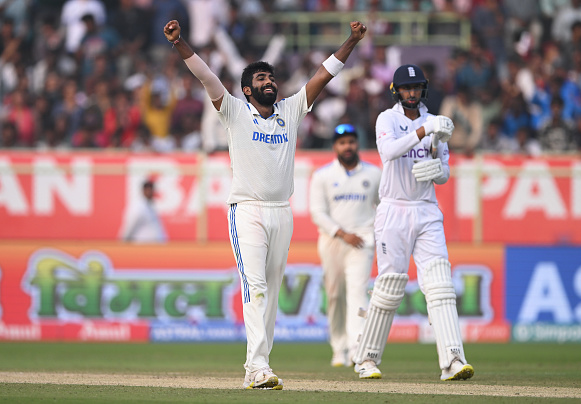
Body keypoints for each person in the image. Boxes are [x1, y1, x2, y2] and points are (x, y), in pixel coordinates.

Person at [164, 19, 367, 390]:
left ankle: (257, 366)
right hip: (247, 209)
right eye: (260, 79)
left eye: (271, 78)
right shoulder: (234, 112)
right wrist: (180, 45)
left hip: (281, 211)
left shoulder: (290, 111)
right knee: (255, 286)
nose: (269, 82)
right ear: (246, 89)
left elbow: (324, 75)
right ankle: (257, 367)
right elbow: (208, 77)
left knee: (271, 291)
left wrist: (351, 41)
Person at [352, 64, 474, 381]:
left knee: (440, 284)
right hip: (393, 209)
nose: (412, 93)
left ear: (423, 90)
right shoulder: (388, 119)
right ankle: (365, 359)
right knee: (391, 285)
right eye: (406, 88)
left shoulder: (435, 122)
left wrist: (437, 170)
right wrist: (423, 131)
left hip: (427, 209)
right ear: (396, 91)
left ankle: (452, 360)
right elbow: (388, 150)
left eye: (417, 88)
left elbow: (445, 169)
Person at [309, 123, 381, 368]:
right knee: (335, 295)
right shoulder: (323, 176)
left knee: (358, 294)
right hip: (332, 242)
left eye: (351, 141)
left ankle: (356, 349)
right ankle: (338, 348)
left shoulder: (373, 174)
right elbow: (318, 213)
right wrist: (341, 233)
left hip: (362, 241)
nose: (347, 146)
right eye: (342, 142)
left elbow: (384, 207)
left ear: (357, 144)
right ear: (335, 147)